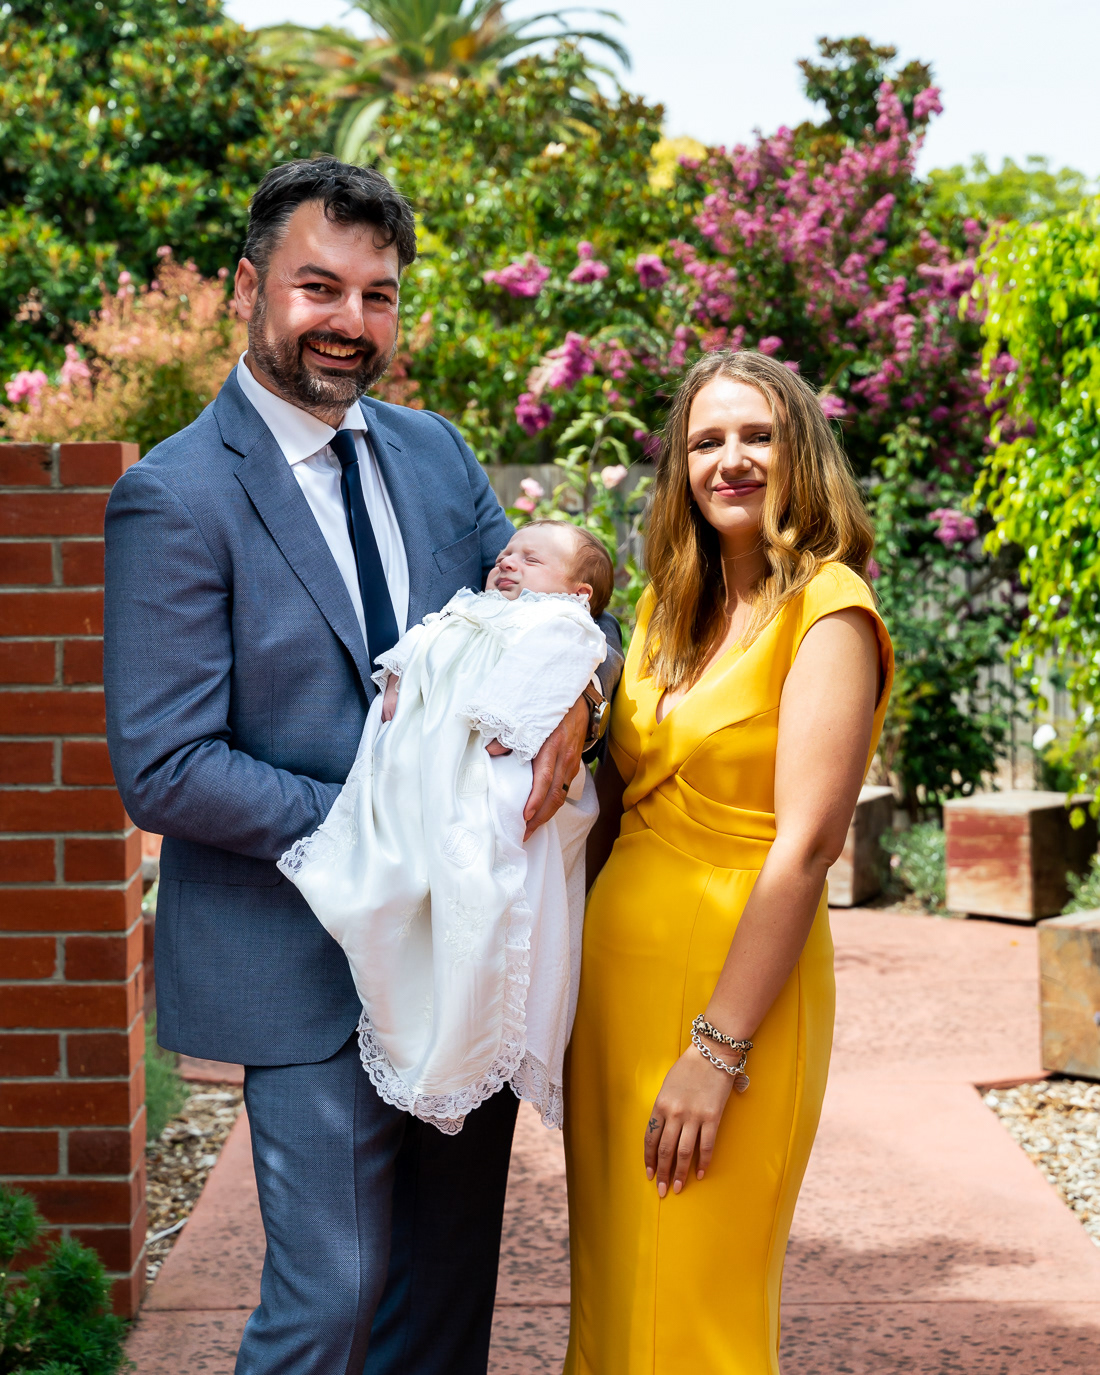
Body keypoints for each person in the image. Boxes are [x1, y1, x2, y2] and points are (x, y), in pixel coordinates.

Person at [102, 158, 621, 1375]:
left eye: (377, 295)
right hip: (302, 954)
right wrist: (401, 824)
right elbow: (167, 765)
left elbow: (569, 617)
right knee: (328, 1300)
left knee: (442, 1303)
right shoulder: (173, 496)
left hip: (468, 946)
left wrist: (584, 697)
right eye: (318, 287)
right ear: (248, 288)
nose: (349, 321)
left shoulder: (435, 454)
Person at [564, 349, 894, 1373]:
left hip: (731, 1004)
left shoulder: (828, 609)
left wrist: (715, 1052)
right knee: (617, 1305)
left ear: (801, 452)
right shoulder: (667, 606)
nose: (731, 459)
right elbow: (615, 794)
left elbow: (808, 845)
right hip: (614, 1005)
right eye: (706, 441)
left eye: (757, 435)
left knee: (694, 1314)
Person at [278, 522, 615, 1134]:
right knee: (392, 893)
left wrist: (563, 703)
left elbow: (566, 666)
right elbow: (416, 647)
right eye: (507, 553)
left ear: (577, 594)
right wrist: (404, 671)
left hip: (487, 768)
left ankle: (463, 1031)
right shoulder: (465, 612)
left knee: (483, 885)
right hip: (417, 768)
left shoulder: (560, 624)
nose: (507, 560)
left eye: (531, 558)